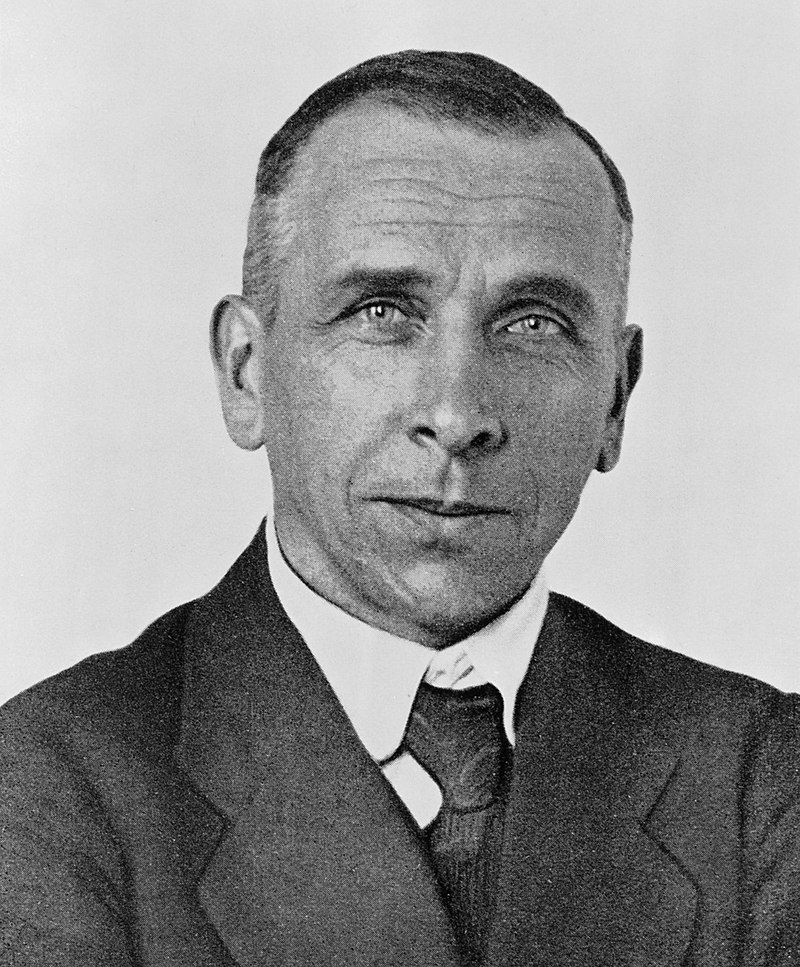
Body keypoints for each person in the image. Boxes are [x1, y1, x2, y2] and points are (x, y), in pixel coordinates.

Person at [1, 49, 798, 967]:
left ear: (616, 400)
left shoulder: (762, 779)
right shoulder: (50, 787)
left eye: (533, 323)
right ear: (246, 374)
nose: (457, 415)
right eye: (381, 312)